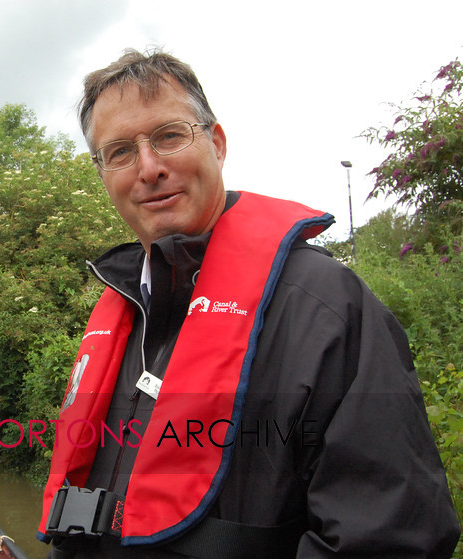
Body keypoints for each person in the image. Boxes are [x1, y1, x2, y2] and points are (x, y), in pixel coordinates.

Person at [38, 49, 460, 558]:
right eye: (121, 151)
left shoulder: (326, 306)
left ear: (216, 143)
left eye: (169, 136)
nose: (149, 168)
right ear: (103, 172)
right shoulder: (124, 310)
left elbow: (389, 538)